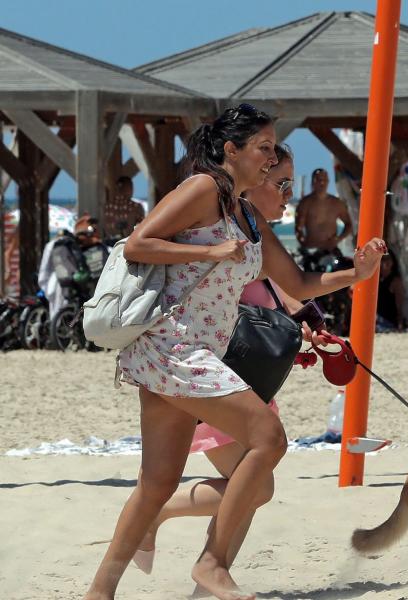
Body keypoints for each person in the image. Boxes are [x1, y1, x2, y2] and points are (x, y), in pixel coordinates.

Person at [84, 104, 385, 600]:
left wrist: (358, 273)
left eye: (273, 148)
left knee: (158, 483)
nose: (271, 158)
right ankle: (212, 563)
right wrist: (207, 252)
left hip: (195, 352)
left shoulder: (246, 214)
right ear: (232, 150)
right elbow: (139, 243)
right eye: (264, 148)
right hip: (173, 346)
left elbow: (299, 282)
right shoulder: (204, 188)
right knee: (267, 438)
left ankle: (100, 591)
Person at [130, 144, 311, 597]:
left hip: (243, 378)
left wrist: (306, 328)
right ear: (258, 174)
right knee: (255, 485)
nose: (290, 192)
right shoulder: (231, 227)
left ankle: (209, 579)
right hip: (214, 377)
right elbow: (244, 302)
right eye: (282, 181)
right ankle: (167, 518)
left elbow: (281, 296)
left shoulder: (251, 231)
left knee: (252, 485)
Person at [295, 168, 353, 263]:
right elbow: (298, 229)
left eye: (324, 180)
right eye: (319, 179)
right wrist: (304, 245)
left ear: (328, 181)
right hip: (311, 250)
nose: (322, 183)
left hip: (331, 250)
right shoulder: (305, 203)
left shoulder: (337, 203)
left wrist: (338, 239)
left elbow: (349, 224)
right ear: (313, 181)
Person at [102, 175, 146, 242]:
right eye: (131, 187)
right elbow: (143, 228)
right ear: (129, 188)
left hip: (109, 244)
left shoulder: (106, 207)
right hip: (128, 244)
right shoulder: (135, 207)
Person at [376, 250, 408, 331]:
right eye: (383, 259)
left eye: (388, 259)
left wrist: (400, 323)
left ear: (393, 262)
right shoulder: (377, 280)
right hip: (377, 318)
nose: (385, 262)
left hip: (387, 320)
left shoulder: (395, 281)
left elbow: (399, 303)